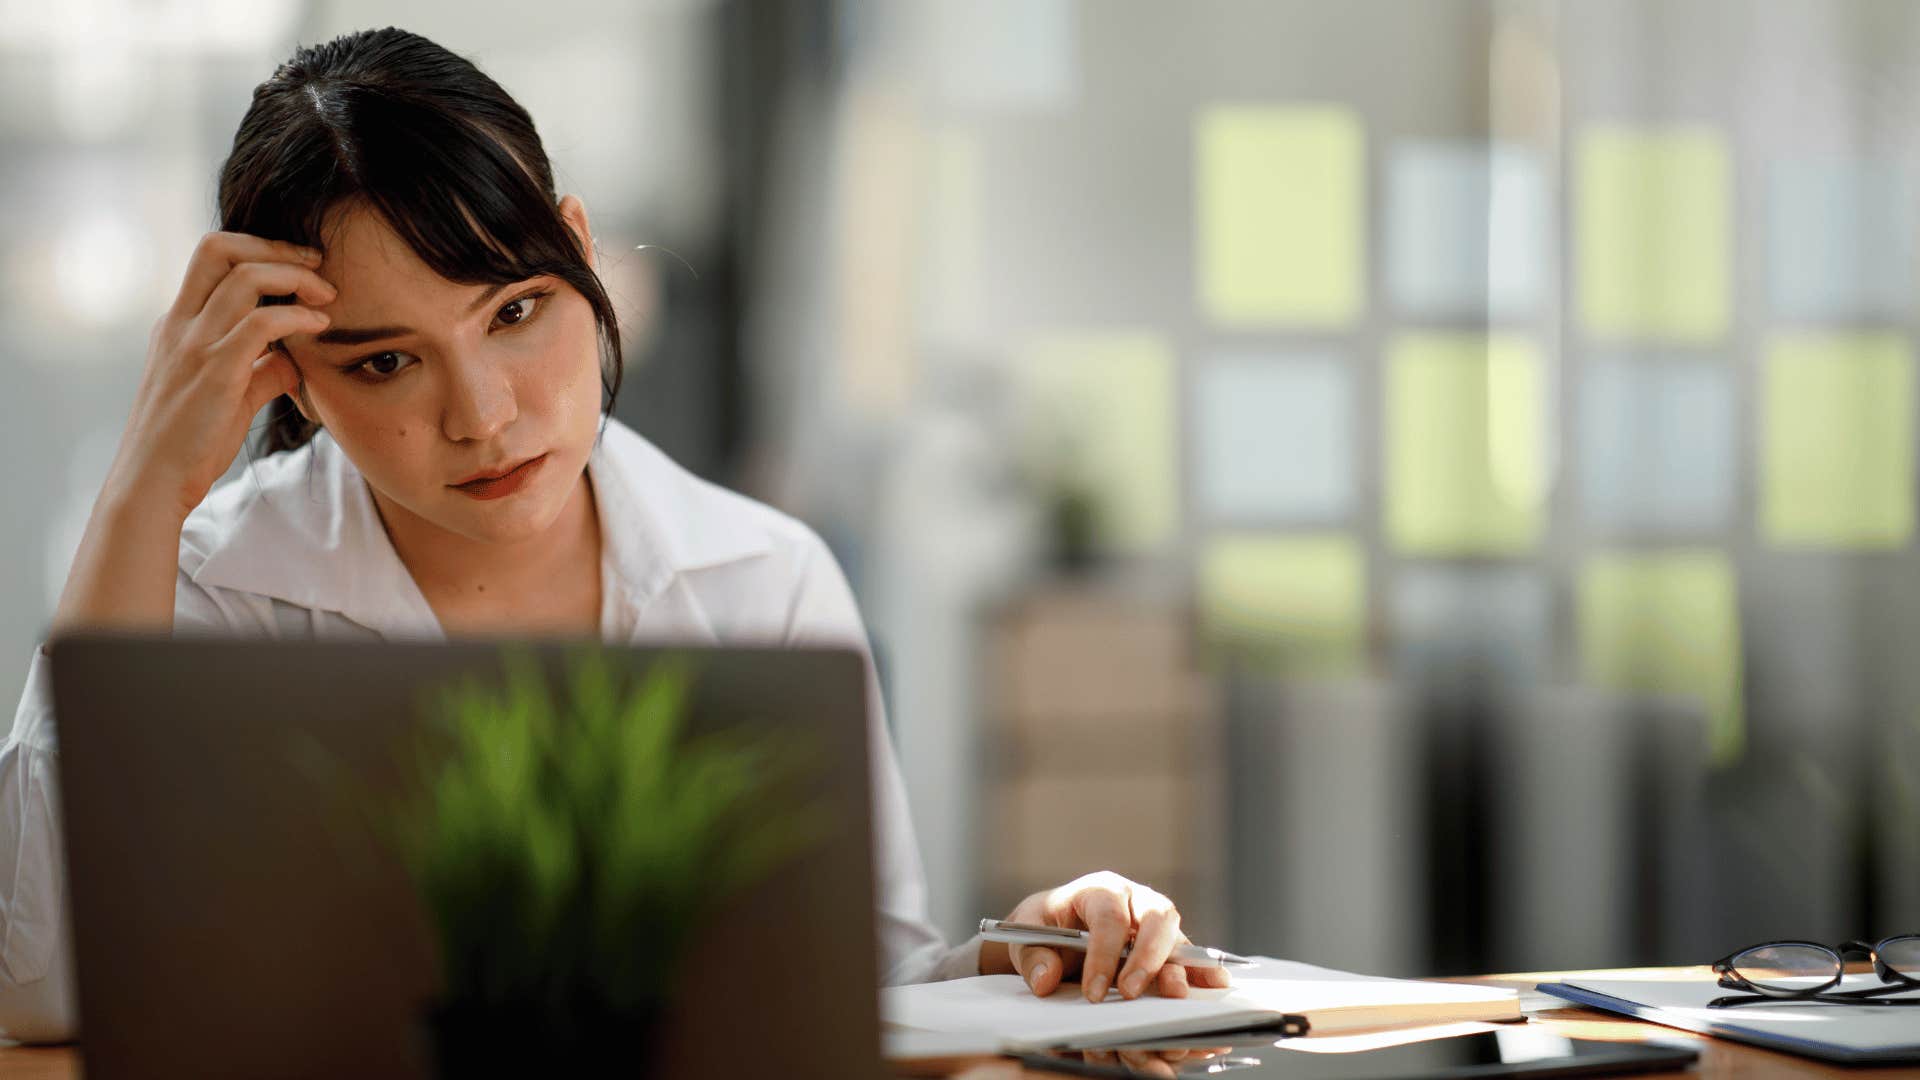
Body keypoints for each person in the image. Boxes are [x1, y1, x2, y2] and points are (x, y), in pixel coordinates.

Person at [0, 26, 1226, 1043]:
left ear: (582, 256)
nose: (482, 416)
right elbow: (37, 984)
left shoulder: (761, 577)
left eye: (517, 310)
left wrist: (1031, 953)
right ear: (293, 384)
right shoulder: (211, 589)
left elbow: (849, 999)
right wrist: (143, 492)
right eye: (384, 361)